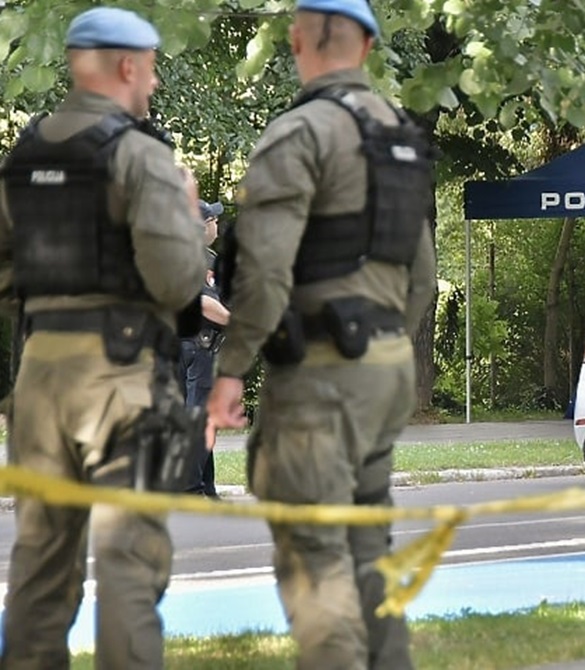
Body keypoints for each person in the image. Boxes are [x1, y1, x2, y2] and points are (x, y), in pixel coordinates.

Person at [205, 0, 437, 668]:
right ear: (366, 48)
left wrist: (230, 370)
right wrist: (391, 344)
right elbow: (421, 273)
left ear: (298, 40)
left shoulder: (299, 134)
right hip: (385, 367)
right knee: (369, 551)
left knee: (316, 562)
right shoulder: (399, 134)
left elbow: (265, 273)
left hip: (322, 375)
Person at [0, 6, 206, 669]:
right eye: (149, 74)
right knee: (129, 560)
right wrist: (184, 216)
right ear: (126, 66)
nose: (152, 88)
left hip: (38, 373)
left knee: (39, 558)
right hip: (120, 375)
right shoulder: (140, 155)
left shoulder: (23, 156)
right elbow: (177, 283)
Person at [178, 229, 230, 498]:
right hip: (199, 346)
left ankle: (206, 487)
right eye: (212, 219)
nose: (216, 224)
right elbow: (203, 302)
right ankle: (191, 490)